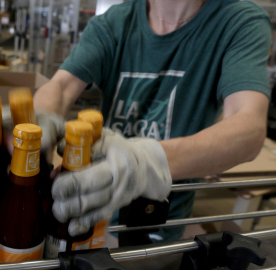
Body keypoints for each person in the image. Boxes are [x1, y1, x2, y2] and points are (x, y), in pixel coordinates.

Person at [33, 0, 272, 243]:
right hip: (93, 206)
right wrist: (42, 120)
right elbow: (61, 86)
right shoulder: (115, 22)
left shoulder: (238, 22)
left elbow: (249, 128)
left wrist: (146, 162)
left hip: (159, 223)